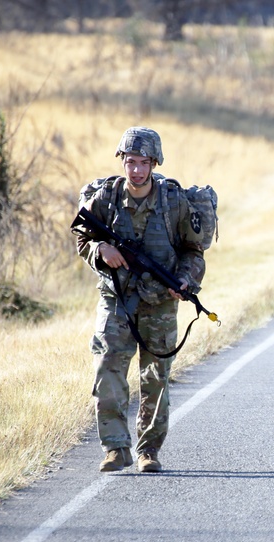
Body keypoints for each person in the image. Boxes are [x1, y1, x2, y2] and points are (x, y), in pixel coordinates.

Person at [74, 127, 206, 473]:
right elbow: (82, 238)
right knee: (108, 370)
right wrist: (100, 249)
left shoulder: (173, 203)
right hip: (116, 300)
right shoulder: (106, 199)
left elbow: (194, 251)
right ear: (123, 162)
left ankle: (149, 450)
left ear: (154, 163)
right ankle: (116, 448)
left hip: (160, 303)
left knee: (155, 378)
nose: (135, 170)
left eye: (143, 163)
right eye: (130, 162)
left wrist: (185, 281)